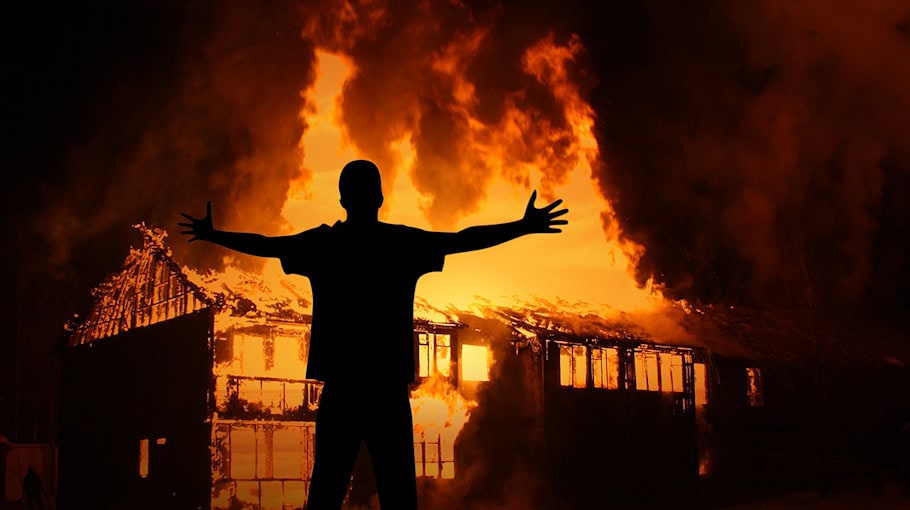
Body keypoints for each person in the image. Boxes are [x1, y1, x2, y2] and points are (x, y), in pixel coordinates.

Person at [179, 159, 568, 509]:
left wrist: (215, 235)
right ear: (380, 197)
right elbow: (464, 238)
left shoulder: (324, 244)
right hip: (386, 393)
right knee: (399, 497)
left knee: (325, 493)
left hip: (342, 390)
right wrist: (523, 226)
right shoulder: (400, 244)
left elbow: (265, 245)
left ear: (342, 199)